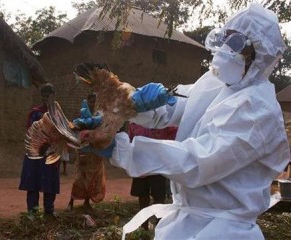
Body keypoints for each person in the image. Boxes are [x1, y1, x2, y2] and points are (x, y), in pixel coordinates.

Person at [77, 3, 290, 239]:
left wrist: (121, 149)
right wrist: (131, 103)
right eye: (225, 39)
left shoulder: (258, 110)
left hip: (225, 230)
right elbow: (174, 107)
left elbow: (197, 162)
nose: (225, 50)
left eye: (237, 44)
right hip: (185, 223)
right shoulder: (217, 84)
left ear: (259, 56)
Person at [19, 83, 60, 217]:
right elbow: (31, 132)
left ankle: (49, 210)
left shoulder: (58, 114)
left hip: (51, 152)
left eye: (48, 95)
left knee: (50, 181)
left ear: (53, 96)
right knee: (33, 181)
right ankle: (33, 212)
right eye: (43, 95)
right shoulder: (35, 113)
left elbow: (61, 133)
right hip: (36, 152)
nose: (45, 98)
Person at [128, 123, 177, 230]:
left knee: (159, 197)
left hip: (157, 166)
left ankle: (159, 225)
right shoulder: (135, 124)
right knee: (143, 196)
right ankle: (144, 225)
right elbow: (131, 141)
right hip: (141, 165)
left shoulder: (163, 121)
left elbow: (173, 134)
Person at [66, 93, 106, 211]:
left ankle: (86, 202)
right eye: (91, 101)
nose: (92, 104)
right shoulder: (82, 115)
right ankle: (71, 202)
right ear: (87, 101)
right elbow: (76, 129)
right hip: (84, 150)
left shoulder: (100, 116)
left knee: (93, 177)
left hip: (95, 152)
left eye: (94, 101)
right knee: (80, 177)